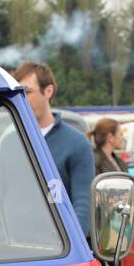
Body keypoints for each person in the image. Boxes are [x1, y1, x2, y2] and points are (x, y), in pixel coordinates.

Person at [13, 61, 92, 234]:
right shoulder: (9, 143)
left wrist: (72, 249)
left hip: (60, 253)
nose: (22, 100)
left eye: (27, 92)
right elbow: (2, 202)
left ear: (48, 91)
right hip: (18, 250)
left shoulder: (77, 144)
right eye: (18, 94)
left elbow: (83, 206)